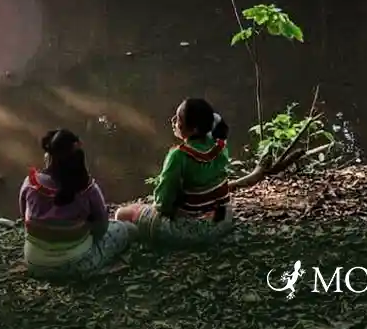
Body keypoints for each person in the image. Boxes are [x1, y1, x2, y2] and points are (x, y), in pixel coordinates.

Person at [115, 98, 235, 245]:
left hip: (193, 230)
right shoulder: (220, 146)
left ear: (195, 129)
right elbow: (216, 119)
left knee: (122, 213)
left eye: (178, 119)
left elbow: (163, 204)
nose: (173, 121)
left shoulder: (179, 156)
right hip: (224, 219)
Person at [19, 129, 136, 277]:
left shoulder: (31, 183)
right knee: (129, 229)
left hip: (35, 264)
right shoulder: (87, 188)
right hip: (78, 265)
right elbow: (101, 228)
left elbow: (25, 217)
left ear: (49, 156)